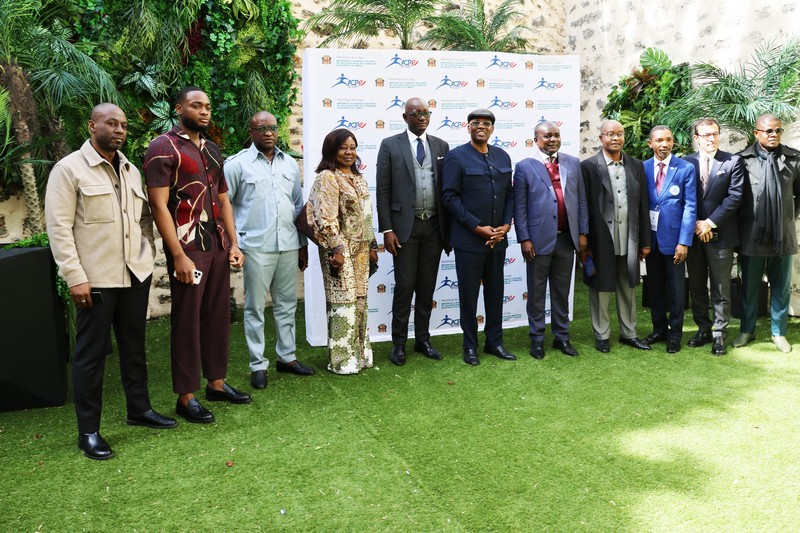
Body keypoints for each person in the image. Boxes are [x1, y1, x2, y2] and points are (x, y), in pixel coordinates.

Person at [45, 103, 176, 460]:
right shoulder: (68, 170)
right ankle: (88, 431)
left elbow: (145, 218)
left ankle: (140, 409)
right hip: (95, 279)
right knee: (90, 355)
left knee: (135, 347)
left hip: (135, 274)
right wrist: (75, 277)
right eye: (111, 123)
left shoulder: (132, 170)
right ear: (92, 126)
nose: (119, 129)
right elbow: (58, 229)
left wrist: (146, 256)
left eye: (123, 125)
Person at [144, 86, 251, 424]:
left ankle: (216, 383)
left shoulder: (214, 150)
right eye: (196, 105)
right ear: (179, 109)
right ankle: (185, 396)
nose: (204, 111)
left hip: (217, 245)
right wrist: (177, 255)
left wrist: (233, 244)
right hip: (188, 248)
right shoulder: (163, 147)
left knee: (218, 316)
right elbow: (158, 204)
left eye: (207, 106)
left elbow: (223, 202)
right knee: (188, 322)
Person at [225, 111, 314, 390]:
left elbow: (299, 207)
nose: (268, 133)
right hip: (255, 247)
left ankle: (286, 357)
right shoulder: (237, 165)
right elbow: (224, 205)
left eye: (273, 128)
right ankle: (257, 364)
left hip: (288, 245)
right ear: (251, 133)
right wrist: (234, 244)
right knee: (254, 308)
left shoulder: (289, 164)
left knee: (287, 305)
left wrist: (302, 245)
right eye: (261, 128)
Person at [375, 97, 451, 366]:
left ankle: (423, 339)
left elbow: (447, 189)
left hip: (433, 226)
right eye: (415, 113)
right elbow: (382, 190)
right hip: (403, 228)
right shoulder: (390, 145)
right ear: (405, 116)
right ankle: (398, 344)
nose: (421, 117)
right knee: (405, 286)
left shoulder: (441, 146)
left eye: (425, 113)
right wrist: (387, 228)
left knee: (427, 287)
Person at [442, 108, 516, 366]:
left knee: (496, 293)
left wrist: (506, 225)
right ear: (468, 127)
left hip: (498, 240)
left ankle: (494, 342)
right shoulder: (456, 157)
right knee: (469, 295)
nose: (481, 127)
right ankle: (470, 346)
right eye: (476, 123)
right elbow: (449, 197)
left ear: (493, 129)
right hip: (470, 241)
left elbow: (509, 194)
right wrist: (477, 227)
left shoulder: (502, 156)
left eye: (486, 123)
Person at [514, 121, 588, 359]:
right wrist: (524, 238)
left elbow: (582, 201)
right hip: (537, 241)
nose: (553, 139)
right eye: (547, 136)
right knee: (536, 294)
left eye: (556, 135)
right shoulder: (524, 167)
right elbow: (520, 207)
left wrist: (583, 232)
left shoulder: (572, 163)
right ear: (536, 139)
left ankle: (562, 337)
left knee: (561, 292)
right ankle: (537, 339)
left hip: (567, 240)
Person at [307, 129, 378, 374]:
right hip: (338, 248)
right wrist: (336, 249)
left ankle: (360, 355)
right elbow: (325, 217)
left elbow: (366, 216)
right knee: (343, 303)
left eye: (352, 147)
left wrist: (372, 246)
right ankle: (342, 361)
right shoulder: (327, 177)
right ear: (331, 150)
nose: (349, 152)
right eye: (343, 148)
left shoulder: (358, 178)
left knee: (360, 301)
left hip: (360, 249)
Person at [581, 120, 652, 353]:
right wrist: (585, 239)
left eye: (619, 134)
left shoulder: (636, 166)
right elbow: (584, 206)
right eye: (610, 134)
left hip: (629, 238)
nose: (615, 138)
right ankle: (602, 335)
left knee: (628, 286)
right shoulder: (589, 167)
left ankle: (628, 333)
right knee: (600, 288)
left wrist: (645, 242)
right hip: (601, 239)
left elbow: (643, 206)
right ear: (601, 138)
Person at [733, 114, 800, 353]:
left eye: (778, 131)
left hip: (783, 236)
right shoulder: (741, 160)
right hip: (751, 236)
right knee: (749, 288)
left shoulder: (793, 159)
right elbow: (734, 199)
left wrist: (787, 217)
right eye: (769, 131)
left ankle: (779, 333)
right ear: (756, 133)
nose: (774, 135)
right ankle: (747, 330)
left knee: (781, 287)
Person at [683, 118, 744, 355]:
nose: (711, 138)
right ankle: (703, 329)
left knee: (721, 288)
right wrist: (697, 226)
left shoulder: (732, 162)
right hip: (694, 236)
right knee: (697, 286)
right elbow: (685, 198)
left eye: (715, 134)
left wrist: (709, 223)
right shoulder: (686, 162)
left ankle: (719, 334)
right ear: (696, 138)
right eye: (706, 135)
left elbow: (735, 197)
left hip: (721, 235)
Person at [641, 126, 697, 353]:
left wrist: (684, 242)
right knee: (654, 288)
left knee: (675, 290)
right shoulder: (641, 168)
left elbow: (690, 206)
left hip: (674, 241)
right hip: (650, 241)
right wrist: (641, 241)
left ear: (674, 142)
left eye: (668, 140)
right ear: (650, 144)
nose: (664, 144)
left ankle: (675, 333)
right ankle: (658, 330)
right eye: (659, 140)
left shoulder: (685, 168)